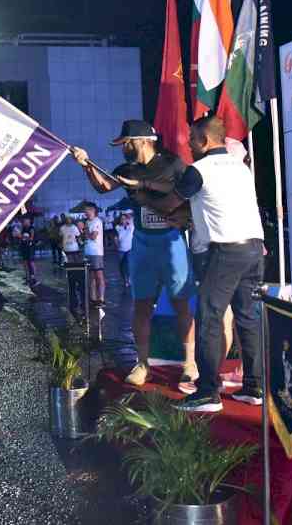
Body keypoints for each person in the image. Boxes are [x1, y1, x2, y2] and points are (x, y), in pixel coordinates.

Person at [119, 116, 265, 412]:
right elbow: (212, 205)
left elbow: (170, 203)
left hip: (223, 252)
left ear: (205, 140)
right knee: (247, 318)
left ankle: (207, 392)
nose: (189, 144)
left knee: (209, 319)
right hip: (252, 249)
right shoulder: (240, 167)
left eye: (192, 138)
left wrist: (140, 193)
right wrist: (186, 217)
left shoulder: (199, 170)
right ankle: (254, 386)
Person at [72, 120, 196, 388]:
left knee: (181, 304)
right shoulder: (125, 169)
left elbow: (192, 192)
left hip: (172, 242)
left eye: (126, 143)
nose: (123, 148)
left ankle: (190, 363)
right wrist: (86, 164)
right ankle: (142, 364)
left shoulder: (173, 164)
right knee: (141, 306)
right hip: (142, 244)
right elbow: (103, 186)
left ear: (142, 140)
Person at [82, 203, 105, 304]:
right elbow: (85, 237)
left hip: (96, 252)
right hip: (88, 252)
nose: (85, 212)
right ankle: (93, 298)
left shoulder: (97, 221)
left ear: (93, 210)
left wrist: (84, 230)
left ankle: (101, 298)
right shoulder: (87, 222)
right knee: (91, 277)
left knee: (99, 275)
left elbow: (93, 236)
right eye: (85, 210)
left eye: (87, 210)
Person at [115, 213, 134, 290]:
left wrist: (127, 215)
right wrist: (117, 245)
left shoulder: (131, 226)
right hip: (121, 249)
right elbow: (116, 238)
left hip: (130, 249)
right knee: (121, 266)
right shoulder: (118, 227)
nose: (123, 220)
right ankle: (125, 280)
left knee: (128, 264)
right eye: (121, 219)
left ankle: (129, 279)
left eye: (124, 219)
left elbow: (132, 219)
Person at [19, 217, 38, 286]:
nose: (23, 222)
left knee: (31, 262)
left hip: (30, 248)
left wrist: (21, 237)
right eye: (23, 221)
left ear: (28, 221)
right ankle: (27, 277)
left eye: (25, 221)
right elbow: (22, 237)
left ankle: (34, 278)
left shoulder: (31, 228)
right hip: (24, 247)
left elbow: (31, 238)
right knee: (25, 262)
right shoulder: (23, 228)